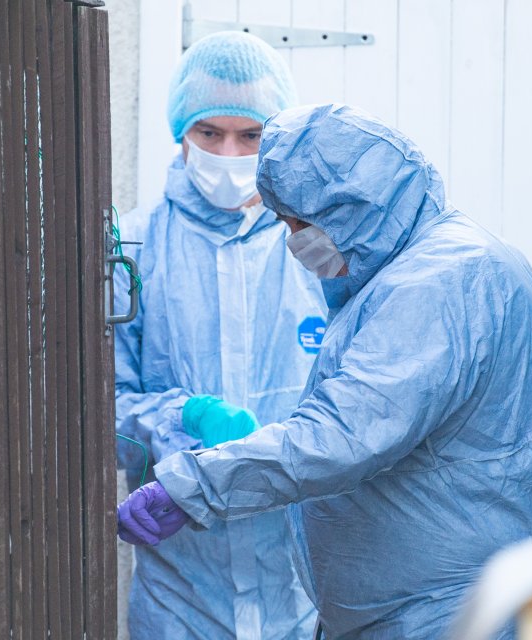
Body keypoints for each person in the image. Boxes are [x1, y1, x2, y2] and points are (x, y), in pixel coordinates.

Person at [118, 104, 532, 640]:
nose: (294, 241)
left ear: (351, 207)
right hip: (441, 603)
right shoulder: (436, 261)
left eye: (298, 222)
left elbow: (341, 436)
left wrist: (192, 485)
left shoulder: (437, 282)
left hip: (447, 612)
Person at [113, 32, 326, 639]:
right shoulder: (134, 249)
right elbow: (100, 406)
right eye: (210, 133)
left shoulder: (318, 251)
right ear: (181, 132)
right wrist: (181, 417)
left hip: (303, 587)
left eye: (250, 135)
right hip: (180, 592)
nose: (229, 152)